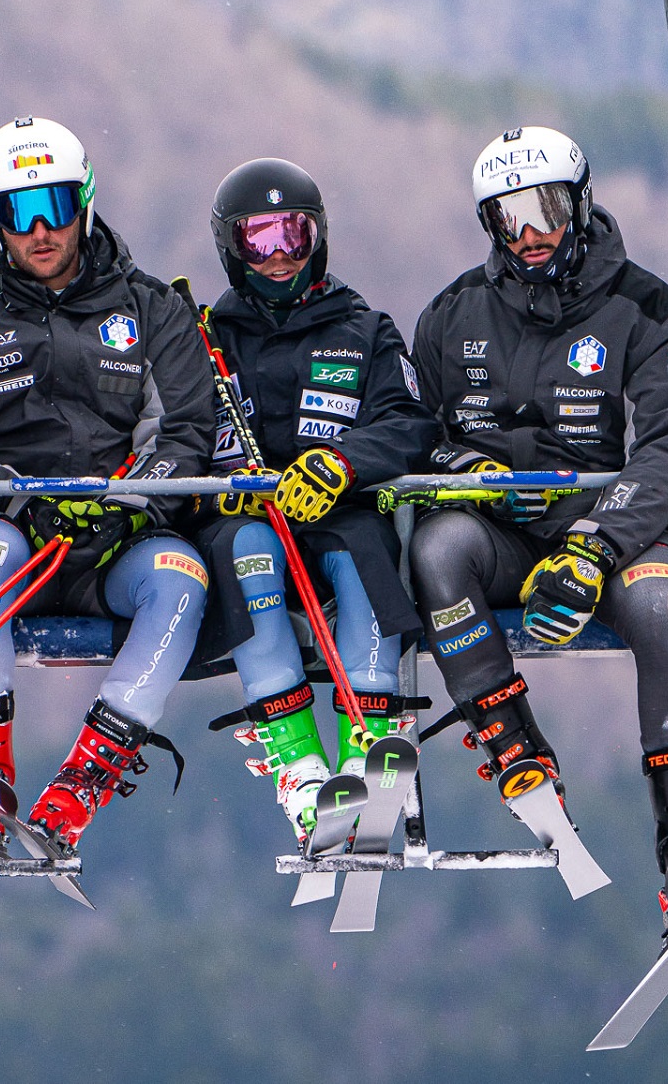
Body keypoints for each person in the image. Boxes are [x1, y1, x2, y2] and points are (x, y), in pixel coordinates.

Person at [407, 126, 668, 944]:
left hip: (621, 532)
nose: (531, 232)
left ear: (581, 203)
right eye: (508, 217)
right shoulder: (451, 315)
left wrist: (595, 544)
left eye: (547, 208)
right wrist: (457, 466)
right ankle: (515, 748)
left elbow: (667, 453)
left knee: (661, 603)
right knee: (436, 549)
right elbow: (409, 434)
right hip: (505, 534)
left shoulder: (651, 310)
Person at [0, 117, 216, 854]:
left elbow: (184, 432)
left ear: (85, 199)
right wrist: (23, 500)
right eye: (20, 213)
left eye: (57, 204)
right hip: (12, 532)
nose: (43, 230)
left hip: (117, 540)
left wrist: (128, 506)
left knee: (182, 580)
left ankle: (86, 779)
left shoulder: (150, 307)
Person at [189, 158, 437, 846]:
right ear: (231, 248)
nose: (278, 258)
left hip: (337, 510)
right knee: (246, 551)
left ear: (318, 238)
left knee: (362, 549)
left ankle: (372, 738)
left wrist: (341, 463)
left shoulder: (363, 329)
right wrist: (223, 485)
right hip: (250, 518)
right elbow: (181, 431)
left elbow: (411, 422)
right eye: (258, 240)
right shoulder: (208, 338)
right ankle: (297, 761)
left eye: (292, 237)